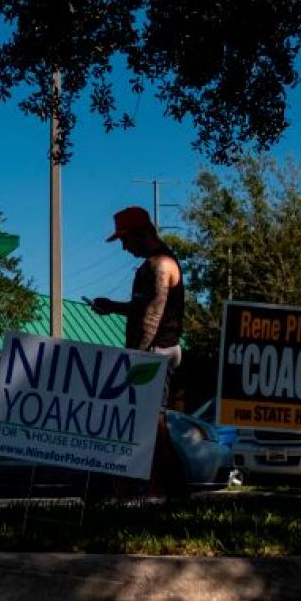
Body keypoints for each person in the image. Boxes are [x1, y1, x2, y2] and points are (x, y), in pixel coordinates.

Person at [91, 205, 186, 499]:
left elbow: (152, 316)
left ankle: (161, 492)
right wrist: (114, 307)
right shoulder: (150, 266)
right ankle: (146, 490)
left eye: (124, 239)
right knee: (145, 425)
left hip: (155, 353)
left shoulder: (162, 265)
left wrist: (138, 357)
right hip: (150, 352)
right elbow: (142, 308)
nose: (123, 247)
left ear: (140, 234)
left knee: (151, 427)